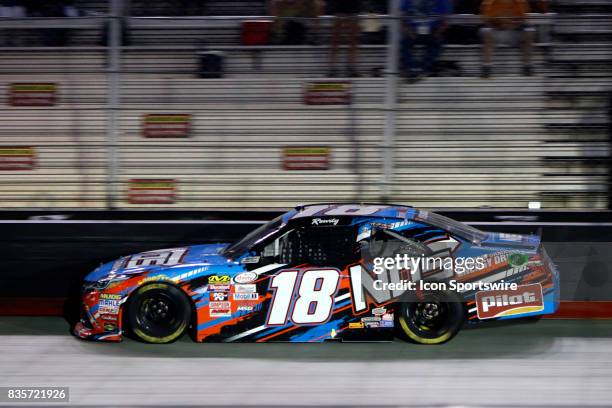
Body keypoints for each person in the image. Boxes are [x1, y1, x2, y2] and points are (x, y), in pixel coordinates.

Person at [480, 0, 534, 78]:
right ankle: (486, 68)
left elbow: (524, 19)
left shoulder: (520, 2)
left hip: (513, 32)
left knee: (529, 32)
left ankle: (527, 66)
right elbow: (485, 20)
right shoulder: (490, 2)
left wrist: (511, 23)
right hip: (497, 32)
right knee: (486, 32)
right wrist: (498, 22)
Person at [400, 0, 452, 80]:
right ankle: (410, 69)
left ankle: (422, 69)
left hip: (432, 30)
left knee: (437, 44)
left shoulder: (442, 1)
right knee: (403, 43)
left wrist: (437, 33)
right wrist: (409, 31)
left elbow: (445, 20)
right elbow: (402, 18)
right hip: (413, 29)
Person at [327, 0, 362, 77]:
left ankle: (351, 67)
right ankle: (332, 68)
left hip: (353, 6)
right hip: (339, 6)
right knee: (336, 40)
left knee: (353, 40)